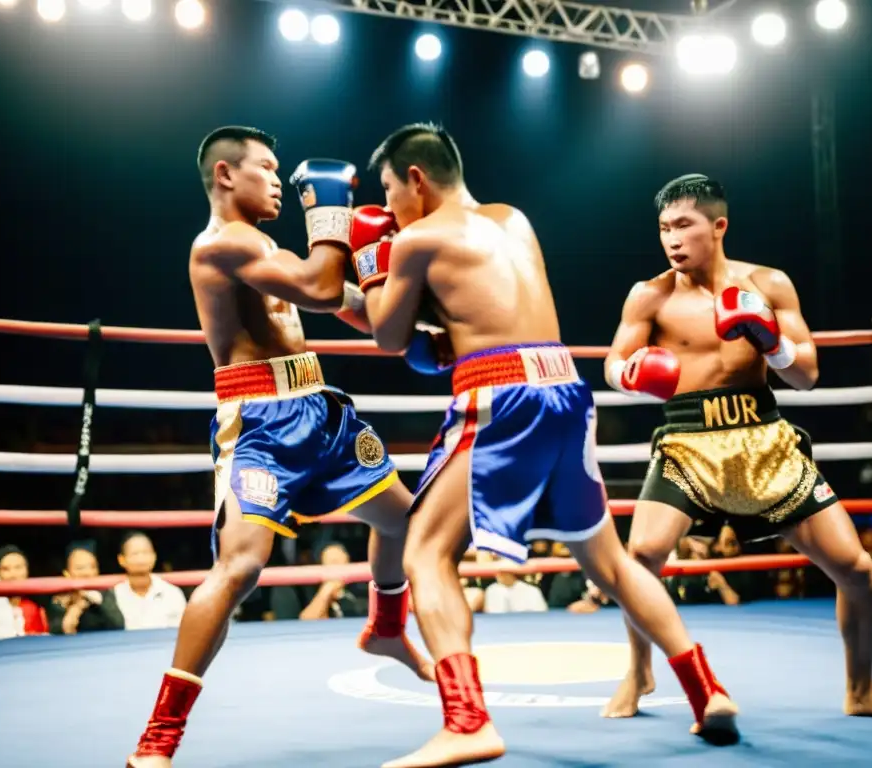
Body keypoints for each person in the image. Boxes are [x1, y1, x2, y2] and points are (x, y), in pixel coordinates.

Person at [352, 123, 739, 768]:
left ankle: (467, 721)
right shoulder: (514, 219)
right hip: (564, 388)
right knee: (610, 563)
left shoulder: (416, 238)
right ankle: (707, 692)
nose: (389, 207)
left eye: (390, 189)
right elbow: (467, 312)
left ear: (416, 179)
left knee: (424, 554)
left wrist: (369, 261)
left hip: (501, 394)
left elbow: (391, 339)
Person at [127, 126, 435, 767]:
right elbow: (321, 285)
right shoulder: (220, 245)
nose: (277, 179)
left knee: (407, 522)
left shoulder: (262, 246)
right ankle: (157, 741)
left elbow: (342, 302)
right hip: (261, 423)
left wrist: (389, 293)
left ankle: (385, 627)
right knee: (240, 568)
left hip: (318, 408)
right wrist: (331, 215)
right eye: (265, 168)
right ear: (224, 176)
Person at [600, 173, 872, 724]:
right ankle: (639, 669)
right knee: (641, 559)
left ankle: (861, 689)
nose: (671, 239)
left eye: (684, 225)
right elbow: (612, 364)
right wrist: (629, 373)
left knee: (858, 571)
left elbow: (808, 376)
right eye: (663, 228)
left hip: (763, 439)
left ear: (718, 225)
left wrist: (770, 341)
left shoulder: (769, 284)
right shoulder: (648, 295)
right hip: (685, 442)